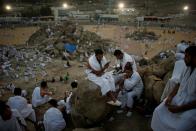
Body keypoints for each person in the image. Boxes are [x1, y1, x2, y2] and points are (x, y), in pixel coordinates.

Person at [151, 46, 196, 131]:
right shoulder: (187, 68)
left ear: (194, 57)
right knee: (158, 111)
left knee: (179, 128)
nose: (184, 59)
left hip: (191, 107)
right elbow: (179, 84)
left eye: (187, 56)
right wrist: (170, 96)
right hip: (179, 99)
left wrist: (180, 108)